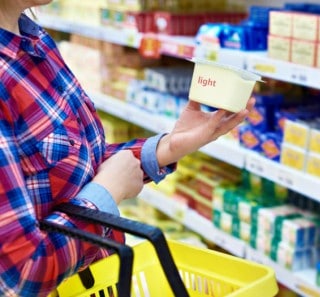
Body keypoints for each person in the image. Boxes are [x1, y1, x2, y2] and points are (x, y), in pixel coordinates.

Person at [0, 0, 255, 296]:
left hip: (98, 279)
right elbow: (23, 273)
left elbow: (76, 165)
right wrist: (107, 193)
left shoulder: (33, 38)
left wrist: (168, 147)